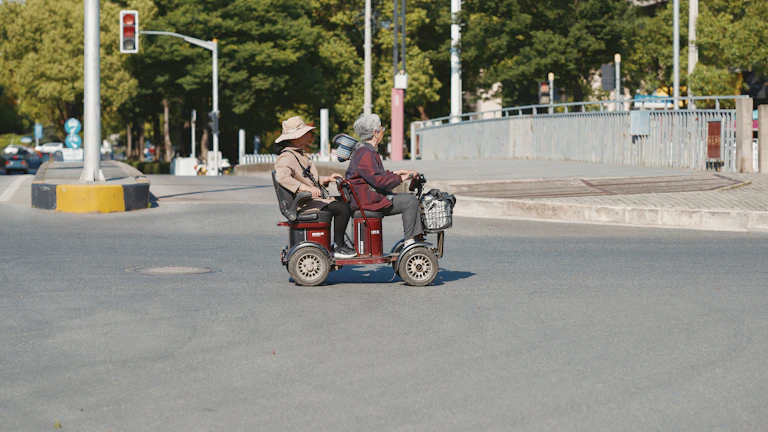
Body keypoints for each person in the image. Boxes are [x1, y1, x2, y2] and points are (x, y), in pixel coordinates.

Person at [274, 116, 357, 258]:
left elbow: (309, 178)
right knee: (342, 208)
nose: (308, 136)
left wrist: (327, 179)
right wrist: (304, 188)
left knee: (344, 202)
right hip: (303, 202)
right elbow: (283, 177)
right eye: (305, 133)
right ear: (296, 137)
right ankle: (339, 246)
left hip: (309, 199)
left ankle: (339, 244)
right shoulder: (287, 156)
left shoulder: (298, 154)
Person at [345, 114, 423, 247]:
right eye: (382, 128)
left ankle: (411, 240)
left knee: (407, 199)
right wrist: (405, 177)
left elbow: (375, 175)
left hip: (367, 197)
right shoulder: (366, 153)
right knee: (410, 201)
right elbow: (380, 181)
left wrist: (398, 173)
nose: (383, 130)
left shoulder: (364, 151)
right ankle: (410, 243)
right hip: (369, 201)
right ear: (375, 132)